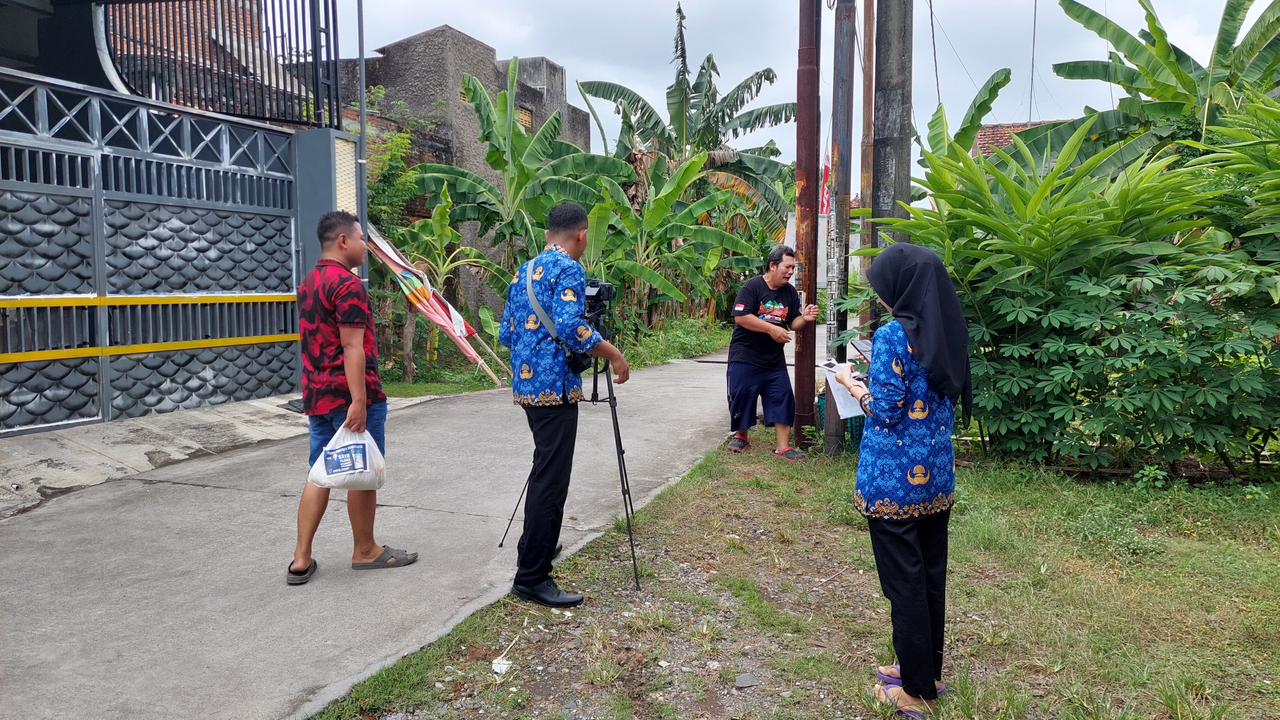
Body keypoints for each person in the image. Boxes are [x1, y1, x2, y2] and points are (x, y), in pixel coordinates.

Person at [835, 243, 972, 718]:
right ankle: (925, 669)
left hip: (893, 482)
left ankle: (916, 692)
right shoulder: (950, 331)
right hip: (936, 478)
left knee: (903, 583)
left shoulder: (896, 336)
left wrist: (853, 385)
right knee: (930, 574)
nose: (884, 298)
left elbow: (887, 411)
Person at [499, 203, 630, 608]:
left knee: (543, 472)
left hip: (526, 388)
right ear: (582, 235)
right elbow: (574, 327)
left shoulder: (524, 271)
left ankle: (533, 550)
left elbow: (507, 332)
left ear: (547, 232)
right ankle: (532, 577)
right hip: (554, 389)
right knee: (550, 482)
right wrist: (614, 355)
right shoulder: (570, 269)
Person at [287, 211, 418, 586]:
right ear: (343, 241)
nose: (365, 245)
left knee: (319, 472)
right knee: (361, 469)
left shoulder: (310, 283)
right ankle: (365, 550)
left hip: (318, 395)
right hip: (351, 398)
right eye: (361, 238)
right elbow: (352, 346)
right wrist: (359, 400)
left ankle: (301, 557)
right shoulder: (348, 285)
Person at [725, 245, 820, 461]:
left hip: (773, 359)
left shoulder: (789, 293)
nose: (790, 272)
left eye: (793, 268)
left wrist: (804, 318)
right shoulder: (752, 287)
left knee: (782, 396)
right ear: (773, 265)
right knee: (742, 395)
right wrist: (771, 328)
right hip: (745, 355)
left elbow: (792, 322)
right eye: (787, 267)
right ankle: (741, 436)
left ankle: (783, 448)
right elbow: (741, 317)